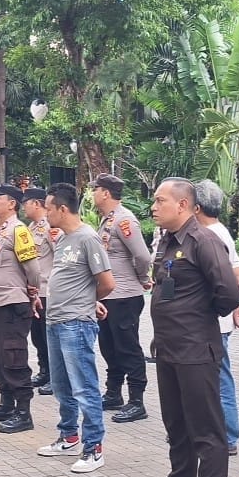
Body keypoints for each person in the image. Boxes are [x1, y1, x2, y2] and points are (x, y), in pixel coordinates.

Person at [139, 178, 239, 477]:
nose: (153, 207)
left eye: (159, 200)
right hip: (168, 348)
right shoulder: (167, 241)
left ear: (183, 205)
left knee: (207, 431)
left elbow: (229, 293)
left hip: (196, 349)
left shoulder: (204, 240)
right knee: (177, 426)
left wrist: (200, 314)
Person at [37, 184, 115, 473]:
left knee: (84, 387)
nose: (45, 214)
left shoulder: (87, 238)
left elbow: (107, 283)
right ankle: (69, 435)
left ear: (62, 209)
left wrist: (88, 302)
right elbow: (74, 279)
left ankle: (94, 447)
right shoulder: (65, 240)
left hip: (75, 324)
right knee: (61, 386)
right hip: (56, 321)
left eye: (48, 208)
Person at [0, 185, 44, 434]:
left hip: (12, 303)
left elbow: (33, 270)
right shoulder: (0, 229)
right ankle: (6, 403)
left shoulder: (19, 230)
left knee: (14, 356)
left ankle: (23, 412)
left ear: (12, 204)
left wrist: (32, 292)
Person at [92, 174, 154, 423]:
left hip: (125, 295)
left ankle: (137, 401)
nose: (92, 194)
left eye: (95, 189)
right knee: (109, 346)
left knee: (127, 347)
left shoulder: (125, 220)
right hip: (108, 295)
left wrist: (141, 278)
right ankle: (113, 393)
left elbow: (142, 256)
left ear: (106, 193)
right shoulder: (107, 220)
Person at [193, 180, 239, 457]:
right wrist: (237, 304)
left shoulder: (211, 236)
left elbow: (234, 277)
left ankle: (227, 435)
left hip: (215, 323)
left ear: (197, 207)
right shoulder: (218, 231)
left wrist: (231, 305)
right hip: (218, 321)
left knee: (219, 379)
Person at [22, 187, 57, 392]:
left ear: (36, 203)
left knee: (47, 336)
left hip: (47, 291)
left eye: (26, 203)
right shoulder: (32, 227)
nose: (23, 208)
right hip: (35, 292)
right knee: (37, 336)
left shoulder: (50, 228)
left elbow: (58, 257)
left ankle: (54, 375)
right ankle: (44, 371)